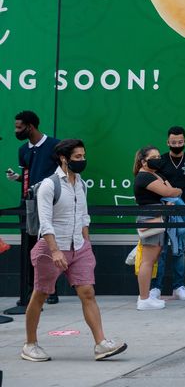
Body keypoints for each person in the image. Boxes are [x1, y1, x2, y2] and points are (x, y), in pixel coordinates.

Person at [21, 139, 127, 362]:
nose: (82, 160)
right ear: (63, 158)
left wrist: (86, 245)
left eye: (83, 156)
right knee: (40, 295)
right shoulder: (49, 185)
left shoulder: (81, 184)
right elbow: (45, 223)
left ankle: (100, 344)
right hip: (51, 248)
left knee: (88, 293)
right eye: (77, 157)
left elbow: (83, 217)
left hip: (79, 246)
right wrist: (55, 250)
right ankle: (30, 345)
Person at [8, 111, 61, 306]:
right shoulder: (23, 150)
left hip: (50, 204)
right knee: (31, 248)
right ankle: (32, 290)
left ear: (30, 126)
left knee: (49, 247)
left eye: (19, 127)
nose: (16, 130)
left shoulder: (55, 145)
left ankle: (52, 291)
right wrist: (19, 179)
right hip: (28, 205)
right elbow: (29, 176)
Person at [150, 125, 185, 302]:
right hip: (162, 210)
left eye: (180, 142)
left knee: (179, 250)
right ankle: (156, 288)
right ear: (167, 142)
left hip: (184, 210)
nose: (177, 144)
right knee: (160, 250)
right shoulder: (160, 161)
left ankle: (178, 287)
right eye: (173, 142)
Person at [133, 146, 182, 310]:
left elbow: (170, 190)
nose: (157, 158)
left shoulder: (155, 174)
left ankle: (146, 297)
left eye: (158, 156)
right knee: (147, 261)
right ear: (143, 161)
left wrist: (172, 192)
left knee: (153, 259)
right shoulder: (144, 176)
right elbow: (170, 191)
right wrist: (175, 191)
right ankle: (144, 299)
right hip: (149, 219)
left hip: (159, 218)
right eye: (153, 156)